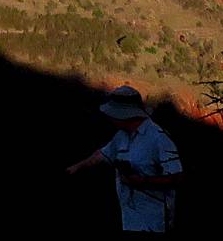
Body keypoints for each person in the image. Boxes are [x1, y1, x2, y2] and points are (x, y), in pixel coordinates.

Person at [65, 84, 182, 233]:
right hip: (130, 219)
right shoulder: (122, 136)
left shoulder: (159, 139)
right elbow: (102, 154)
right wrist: (77, 167)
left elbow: (177, 178)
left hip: (154, 222)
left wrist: (142, 181)